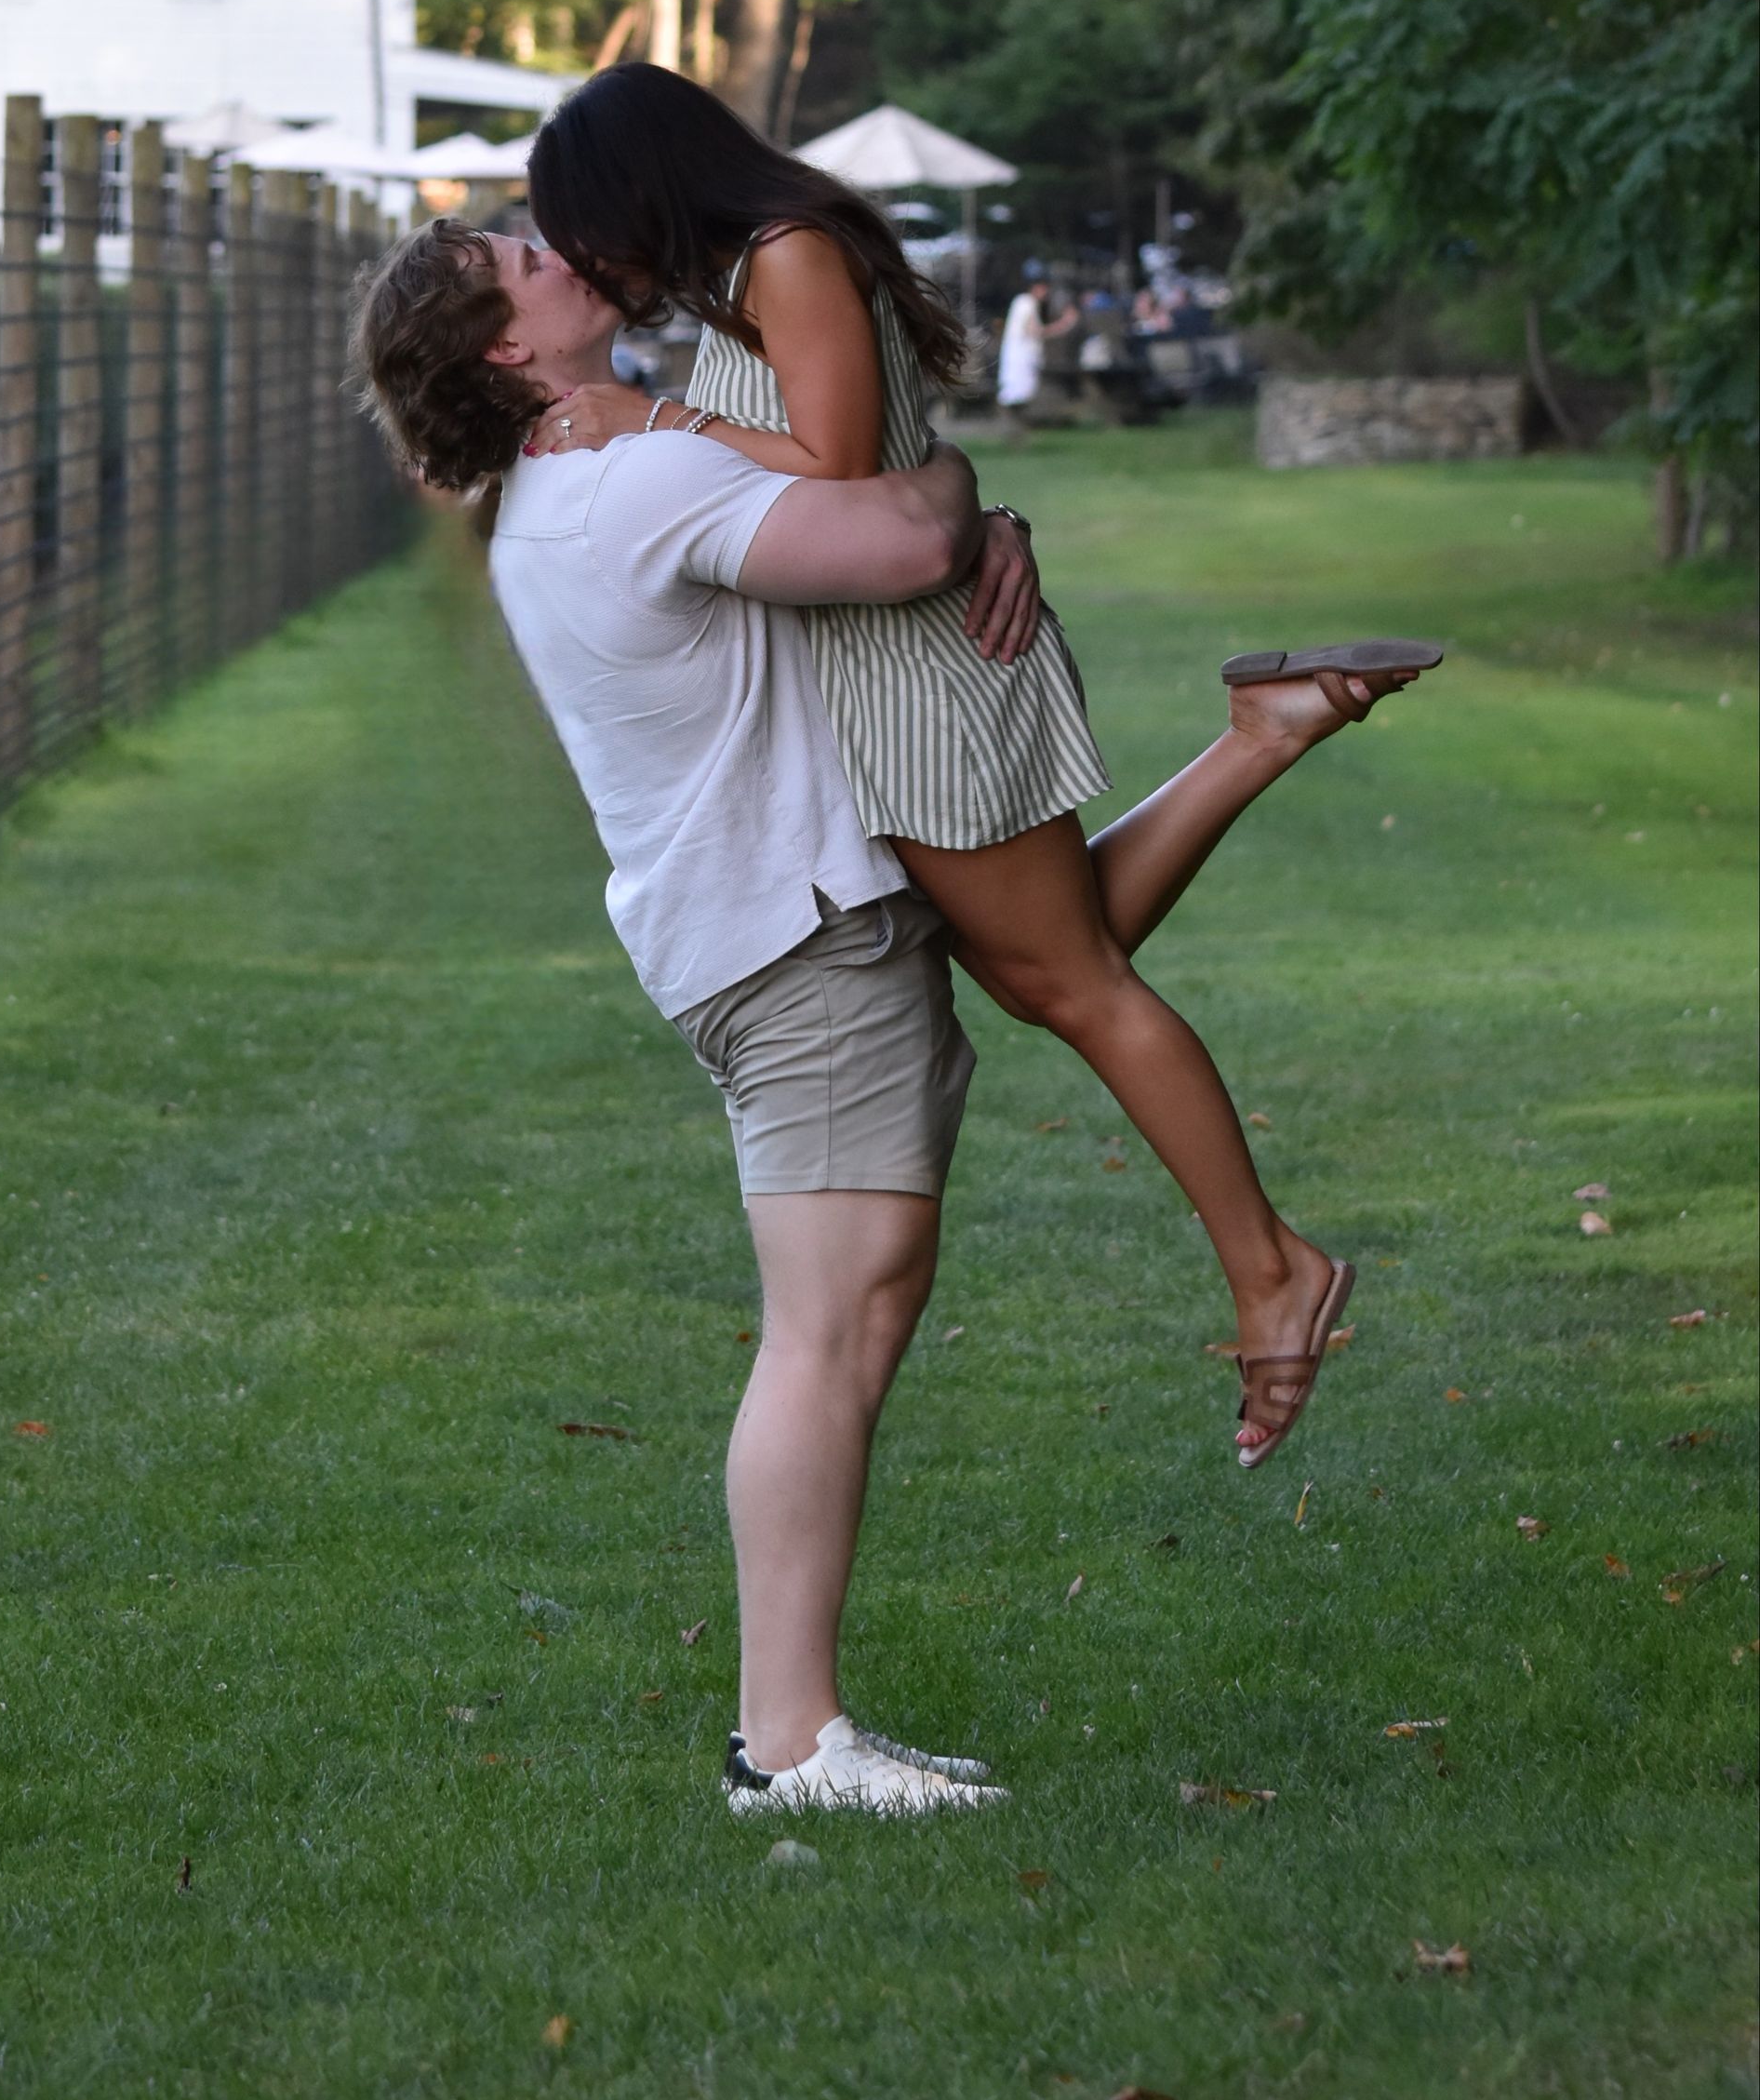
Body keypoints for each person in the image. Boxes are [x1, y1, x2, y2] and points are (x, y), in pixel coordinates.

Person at [349, 219, 1434, 1816]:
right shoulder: (625, 478)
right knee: (830, 1331)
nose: (555, 245)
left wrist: (946, 510)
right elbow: (906, 529)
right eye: (518, 255)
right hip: (794, 942)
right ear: (506, 347)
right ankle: (787, 1745)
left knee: (1045, 965)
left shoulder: (571, 488)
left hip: (782, 920)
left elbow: (869, 536)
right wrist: (969, 503)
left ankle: (1259, 737)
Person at [517, 65, 1440, 1465]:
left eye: (586, 227)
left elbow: (835, 464)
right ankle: (1267, 731)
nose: (591, 261)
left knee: (1071, 979)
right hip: (883, 669)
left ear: (645, 182)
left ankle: (1272, 1268)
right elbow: (862, 458)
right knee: (1045, 961)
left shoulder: (790, 252)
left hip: (918, 675)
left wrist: (655, 420)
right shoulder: (755, 272)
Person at [996, 268, 1077, 442]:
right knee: (1017, 396)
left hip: (1020, 357)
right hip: (1021, 358)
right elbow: (1033, 331)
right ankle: (1014, 433)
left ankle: (1017, 434)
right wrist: (1065, 323)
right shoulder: (1027, 303)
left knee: (1018, 396)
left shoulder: (1023, 303)